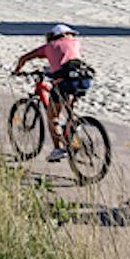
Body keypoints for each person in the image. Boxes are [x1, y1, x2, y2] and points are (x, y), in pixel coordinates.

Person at [11, 24, 89, 162]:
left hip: (64, 83)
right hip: (83, 79)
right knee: (69, 109)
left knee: (52, 116)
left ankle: (58, 149)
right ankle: (72, 130)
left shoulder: (49, 46)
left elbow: (24, 58)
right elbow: (65, 57)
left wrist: (17, 71)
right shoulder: (75, 43)